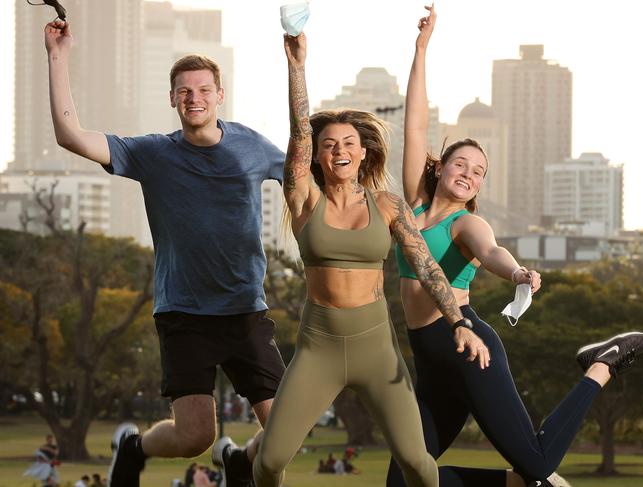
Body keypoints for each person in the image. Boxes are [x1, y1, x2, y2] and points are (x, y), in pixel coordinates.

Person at [386, 4, 643, 487]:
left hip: (468, 346)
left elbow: (492, 253)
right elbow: (415, 122)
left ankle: (601, 366)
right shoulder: (416, 205)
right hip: (428, 359)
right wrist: (421, 49)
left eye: (478, 171)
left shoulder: (468, 225)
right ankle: (515, 485)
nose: (468, 174)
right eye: (460, 164)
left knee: (536, 461)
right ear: (440, 166)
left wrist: (517, 274)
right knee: (405, 482)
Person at [44, 19, 286, 487]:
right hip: (185, 315)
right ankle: (134, 446)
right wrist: (58, 55)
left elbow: (303, 175)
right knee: (195, 436)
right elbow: (71, 136)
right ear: (172, 99)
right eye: (184, 91)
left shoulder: (253, 146)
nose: (194, 98)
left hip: (245, 312)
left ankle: (239, 461)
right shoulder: (154, 153)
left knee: (285, 430)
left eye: (203, 89)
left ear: (220, 95)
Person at [251, 30, 491, 487]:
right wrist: (297, 67)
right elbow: (300, 130)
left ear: (362, 153)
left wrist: (459, 322)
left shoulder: (388, 205)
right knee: (268, 461)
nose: (338, 149)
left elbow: (426, 265)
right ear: (318, 157)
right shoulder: (304, 200)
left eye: (347, 143)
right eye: (329, 145)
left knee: (419, 463)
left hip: (376, 348)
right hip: (318, 346)